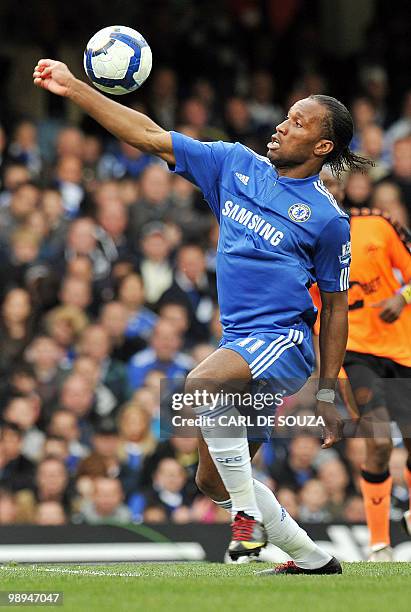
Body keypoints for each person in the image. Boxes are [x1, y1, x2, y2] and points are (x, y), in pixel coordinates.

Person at [33, 58, 372, 575]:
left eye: (299, 122)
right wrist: (76, 89)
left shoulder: (328, 220)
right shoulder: (233, 165)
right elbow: (148, 135)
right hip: (240, 340)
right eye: (286, 115)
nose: (283, 125)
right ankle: (315, 560)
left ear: (323, 147)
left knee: (201, 383)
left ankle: (246, 522)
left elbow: (339, 305)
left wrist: (327, 392)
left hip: (282, 341)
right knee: (210, 480)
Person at [313, 169, 411, 561]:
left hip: (401, 348)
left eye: (334, 184)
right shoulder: (302, 244)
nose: (330, 192)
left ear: (345, 188)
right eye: (322, 186)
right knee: (379, 441)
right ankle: (378, 543)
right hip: (352, 354)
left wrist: (403, 297)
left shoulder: (378, 224)